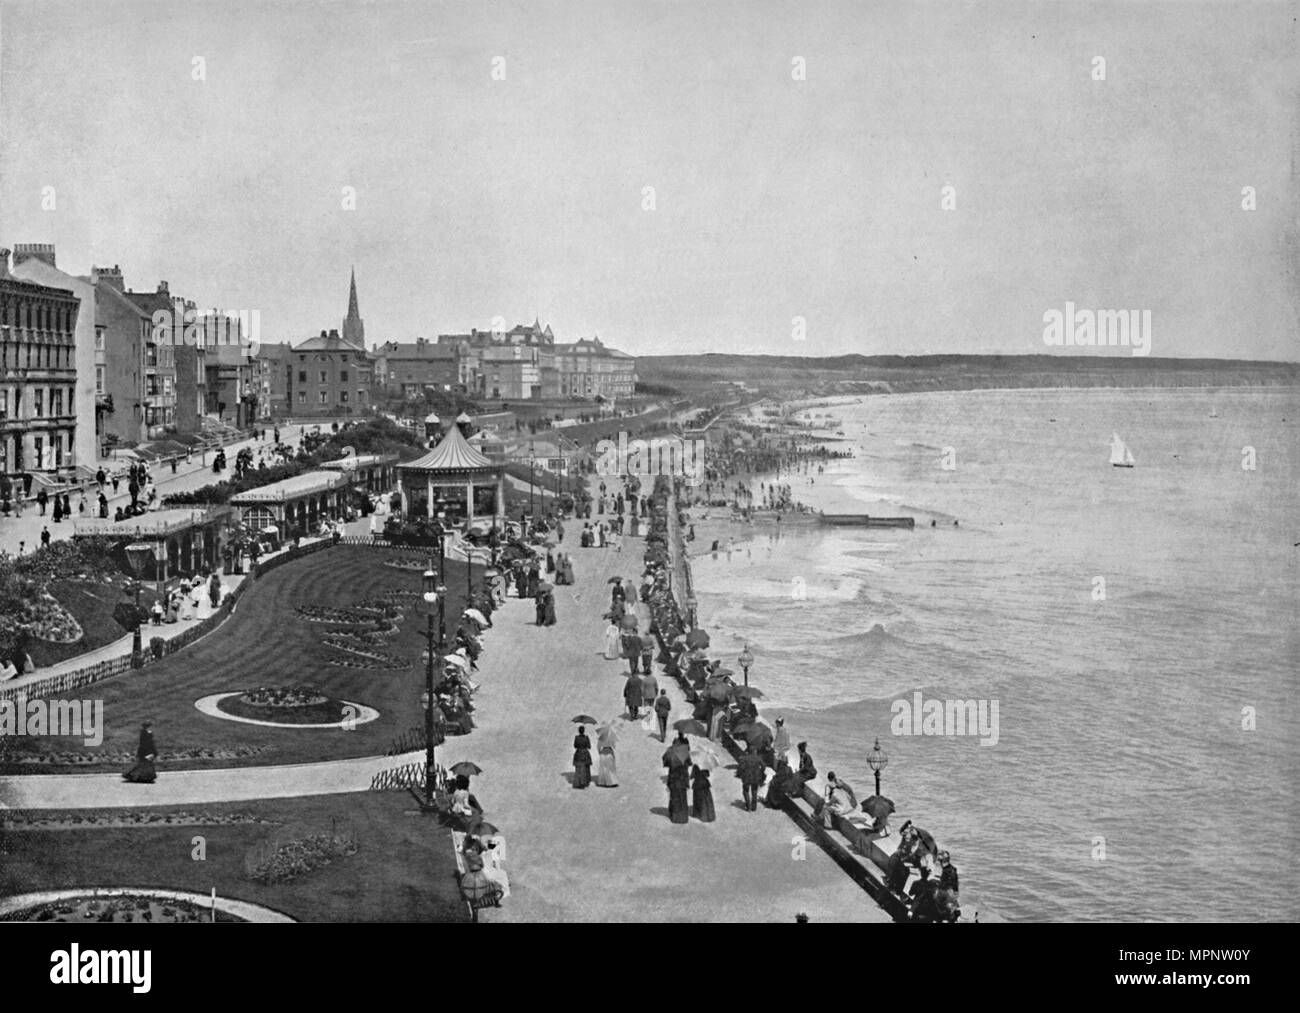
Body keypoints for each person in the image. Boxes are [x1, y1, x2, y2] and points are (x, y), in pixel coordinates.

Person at [663, 735, 692, 824]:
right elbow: (689, 763)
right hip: (683, 779)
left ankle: (674, 816)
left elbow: (666, 762)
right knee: (682, 798)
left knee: (674, 797)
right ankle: (683, 817)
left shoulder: (670, 752)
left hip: (674, 779)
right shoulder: (684, 753)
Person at [735, 741, 766, 811]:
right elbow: (764, 766)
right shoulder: (758, 758)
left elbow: (741, 767)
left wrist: (741, 774)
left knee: (745, 791)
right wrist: (760, 771)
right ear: (755, 751)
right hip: (755, 777)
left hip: (747, 777)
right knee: (754, 791)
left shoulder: (745, 758)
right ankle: (754, 807)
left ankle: (748, 805)